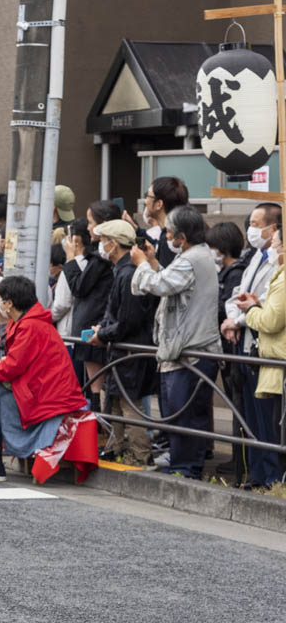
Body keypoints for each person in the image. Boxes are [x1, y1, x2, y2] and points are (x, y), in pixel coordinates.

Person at [0, 276, 88, 481]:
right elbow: (12, 364)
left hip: (46, 399)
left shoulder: (29, 326)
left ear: (9, 303)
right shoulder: (32, 323)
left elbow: (12, 366)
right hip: (42, 393)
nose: (0, 303)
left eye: (2, 299)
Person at [130, 204, 221, 479]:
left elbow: (160, 286)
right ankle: (182, 465)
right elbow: (170, 280)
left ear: (182, 236)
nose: (167, 236)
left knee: (184, 414)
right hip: (192, 349)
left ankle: (186, 468)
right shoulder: (196, 256)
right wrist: (154, 263)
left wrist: (143, 264)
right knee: (181, 413)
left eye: (170, 232)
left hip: (191, 351)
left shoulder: (192, 259)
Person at [87, 220, 158, 466]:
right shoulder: (124, 270)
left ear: (113, 243)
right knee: (115, 402)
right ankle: (116, 448)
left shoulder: (128, 273)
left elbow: (129, 320)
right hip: (123, 347)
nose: (101, 245)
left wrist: (103, 334)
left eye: (103, 240)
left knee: (129, 405)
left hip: (130, 349)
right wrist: (104, 330)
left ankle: (140, 455)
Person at [222, 203, 282, 488]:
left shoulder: (276, 263)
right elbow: (238, 294)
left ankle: (272, 477)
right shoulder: (254, 256)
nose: (252, 229)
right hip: (246, 343)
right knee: (252, 419)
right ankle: (257, 474)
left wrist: (241, 319)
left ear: (275, 229)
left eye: (258, 224)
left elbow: (268, 307)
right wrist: (232, 318)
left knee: (266, 420)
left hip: (262, 345)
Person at [236, 225, 286, 488]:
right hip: (270, 360)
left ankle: (275, 481)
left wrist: (252, 310)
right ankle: (268, 478)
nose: (274, 247)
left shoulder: (283, 277)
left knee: (275, 427)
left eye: (277, 242)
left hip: (277, 361)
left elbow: (271, 320)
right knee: (268, 425)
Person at [66, 202, 118, 407]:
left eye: (90, 222)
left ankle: (100, 428)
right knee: (95, 382)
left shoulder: (100, 260)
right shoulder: (100, 256)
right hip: (95, 323)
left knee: (97, 383)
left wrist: (71, 258)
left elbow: (79, 287)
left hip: (94, 324)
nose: (88, 228)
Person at [140, 176, 190, 268]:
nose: (145, 201)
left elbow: (163, 280)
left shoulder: (170, 239)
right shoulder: (180, 230)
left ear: (159, 204)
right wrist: (136, 231)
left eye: (148, 196)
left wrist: (141, 263)